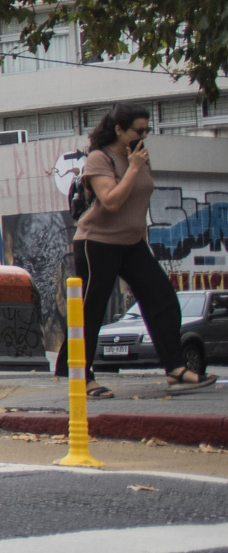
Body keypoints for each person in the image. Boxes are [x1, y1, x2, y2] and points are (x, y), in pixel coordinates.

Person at [72, 103, 207, 392]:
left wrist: (136, 164)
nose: (144, 135)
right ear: (119, 129)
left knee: (163, 299)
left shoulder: (140, 157)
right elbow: (111, 202)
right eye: (138, 130)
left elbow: (139, 199)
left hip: (132, 243)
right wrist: (132, 168)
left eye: (147, 130)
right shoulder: (99, 158)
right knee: (91, 310)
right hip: (97, 242)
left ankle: (175, 369)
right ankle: (81, 378)